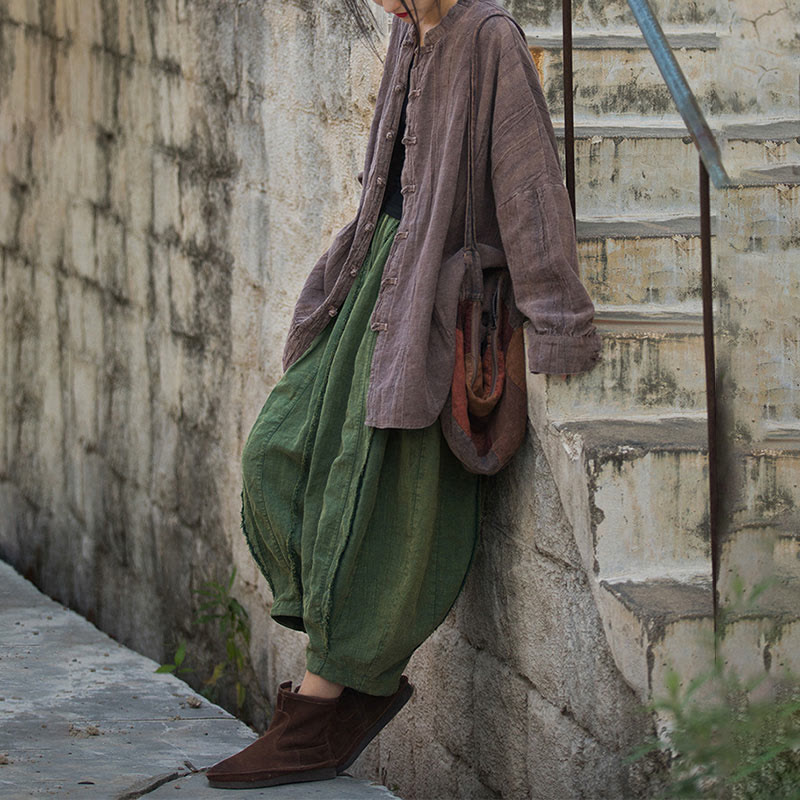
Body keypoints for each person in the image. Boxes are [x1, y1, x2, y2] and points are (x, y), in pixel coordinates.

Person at [205, 0, 601, 790]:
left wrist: (558, 324)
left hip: (435, 299)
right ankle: (334, 680)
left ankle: (321, 709)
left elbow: (528, 191)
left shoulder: (491, 39)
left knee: (371, 499)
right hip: (372, 278)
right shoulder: (407, 31)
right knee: (275, 454)